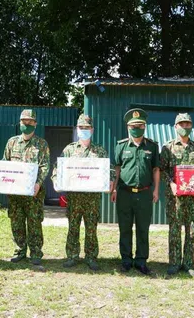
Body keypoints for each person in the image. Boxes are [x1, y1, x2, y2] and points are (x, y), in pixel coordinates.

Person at [51, 114, 115, 271]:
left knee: (91, 228)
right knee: (73, 226)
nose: (84, 130)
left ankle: (91, 257)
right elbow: (57, 168)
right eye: (81, 128)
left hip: (92, 198)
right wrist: (55, 181)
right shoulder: (69, 149)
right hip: (74, 197)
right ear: (77, 129)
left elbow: (110, 169)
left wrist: (111, 181)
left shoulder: (99, 150)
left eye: (87, 128)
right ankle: (72, 256)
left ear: (92, 130)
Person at [111, 108, 160, 275]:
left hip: (145, 193)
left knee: (142, 228)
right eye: (133, 125)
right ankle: (126, 260)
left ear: (144, 127)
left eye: (139, 125)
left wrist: (156, 190)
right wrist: (114, 188)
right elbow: (117, 168)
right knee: (124, 227)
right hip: (124, 192)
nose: (136, 128)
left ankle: (141, 261)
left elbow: (156, 169)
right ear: (128, 127)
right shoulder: (121, 146)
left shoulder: (152, 146)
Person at [160, 113, 194, 277]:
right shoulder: (168, 148)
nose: (185, 127)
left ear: (191, 126)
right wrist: (171, 183)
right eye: (181, 124)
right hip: (175, 199)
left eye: (187, 124)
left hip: (193, 198)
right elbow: (162, 170)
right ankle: (174, 263)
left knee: (192, 230)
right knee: (175, 230)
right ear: (175, 127)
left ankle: (188, 263)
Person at [3, 109, 50, 269]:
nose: (27, 124)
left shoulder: (41, 144)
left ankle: (36, 253)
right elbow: (5, 164)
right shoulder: (12, 142)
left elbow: (45, 166)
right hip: (15, 193)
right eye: (24, 121)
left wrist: (38, 183)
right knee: (16, 222)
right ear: (20, 123)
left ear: (35, 124)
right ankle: (20, 250)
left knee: (34, 222)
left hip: (34, 193)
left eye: (30, 121)